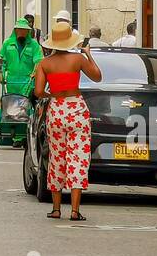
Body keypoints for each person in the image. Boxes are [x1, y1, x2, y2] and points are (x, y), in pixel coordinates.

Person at [32, 19, 103, 220]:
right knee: (78, 158)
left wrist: (52, 96)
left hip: (57, 110)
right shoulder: (78, 59)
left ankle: (56, 209)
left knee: (57, 158)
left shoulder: (44, 64)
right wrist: (88, 54)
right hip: (77, 109)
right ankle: (74, 210)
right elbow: (97, 76)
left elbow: (38, 92)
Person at [0, 17, 42, 103]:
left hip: (27, 81)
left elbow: (38, 61)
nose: (22, 32)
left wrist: (34, 73)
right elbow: (2, 60)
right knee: (11, 106)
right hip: (11, 80)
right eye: (20, 29)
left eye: (24, 30)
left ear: (28, 31)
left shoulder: (34, 45)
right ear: (16, 30)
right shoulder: (7, 43)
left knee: (24, 106)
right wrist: (1, 74)